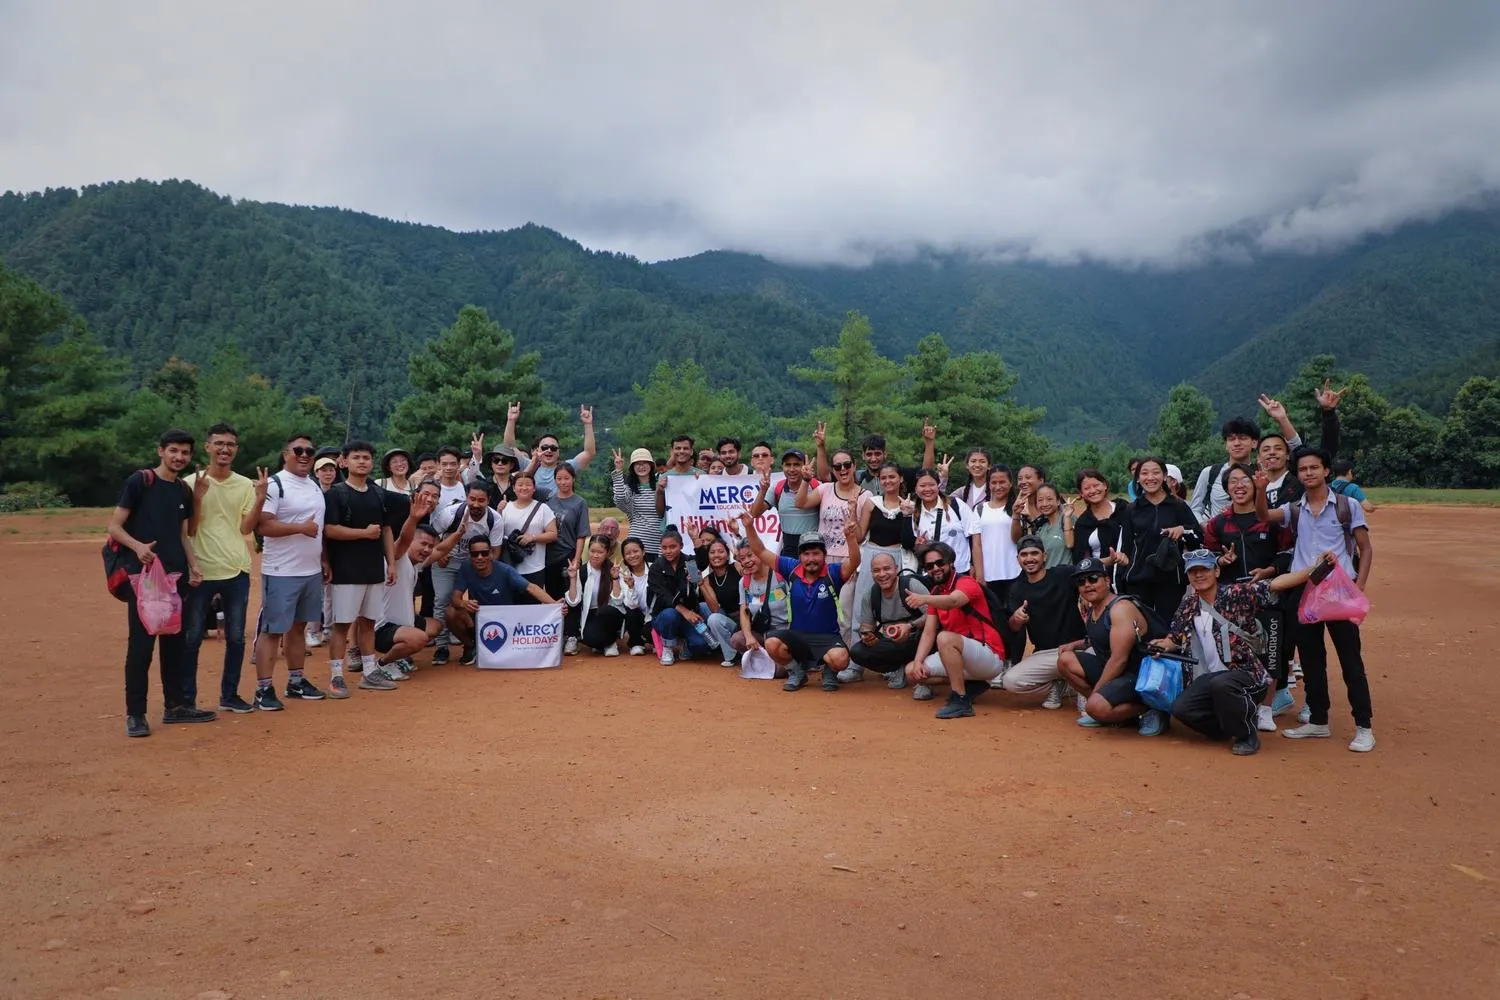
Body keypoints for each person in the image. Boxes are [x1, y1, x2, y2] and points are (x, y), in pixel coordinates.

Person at [1156, 549, 1336, 756]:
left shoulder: (1237, 594)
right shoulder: (1188, 604)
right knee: (1181, 709)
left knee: (1221, 684)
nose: (1198, 575)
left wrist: (1316, 568)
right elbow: (1174, 637)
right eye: (1193, 571)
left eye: (1204, 569)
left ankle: (1247, 734)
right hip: (1209, 678)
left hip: (1246, 675)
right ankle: (1226, 728)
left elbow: (1276, 584)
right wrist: (1161, 646)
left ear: (1216, 571)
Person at [1255, 447, 1377, 752]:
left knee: (1350, 660)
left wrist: (1359, 587)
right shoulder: (1295, 509)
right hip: (1305, 589)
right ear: (1297, 474)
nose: (1308, 473)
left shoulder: (1347, 506)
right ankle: (1319, 720)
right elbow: (1263, 516)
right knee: (1311, 659)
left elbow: (1365, 547)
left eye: (1314, 467)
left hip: (1338, 590)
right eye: (1303, 469)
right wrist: (1260, 490)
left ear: (1326, 471)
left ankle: (1364, 726)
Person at [108, 429, 214, 736]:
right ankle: (135, 714)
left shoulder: (182, 489)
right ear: (161, 451)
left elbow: (183, 535)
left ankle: (175, 706)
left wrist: (194, 566)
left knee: (174, 644)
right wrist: (138, 547)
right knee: (141, 647)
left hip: (175, 577)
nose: (179, 457)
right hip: (144, 578)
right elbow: (114, 527)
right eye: (173, 451)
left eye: (185, 452)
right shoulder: (141, 482)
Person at [1201, 464, 1296, 730]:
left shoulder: (1271, 519)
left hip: (1269, 595)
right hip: (1230, 600)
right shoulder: (1218, 523)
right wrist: (1221, 560)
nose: (1239, 485)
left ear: (1255, 485)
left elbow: (1288, 553)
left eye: (1244, 480)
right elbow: (1207, 557)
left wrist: (1269, 570)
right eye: (1233, 481)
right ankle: (1241, 703)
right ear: (1226, 488)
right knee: (1232, 652)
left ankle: (1266, 709)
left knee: (1271, 652)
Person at [182, 423, 259, 714]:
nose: (225, 449)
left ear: (236, 449)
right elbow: (189, 529)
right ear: (207, 447)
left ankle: (230, 695)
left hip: (236, 569)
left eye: (230, 445)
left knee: (236, 638)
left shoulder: (244, 484)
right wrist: (198, 497)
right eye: (219, 444)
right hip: (200, 569)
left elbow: (246, 528)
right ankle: (186, 700)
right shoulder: (190, 483)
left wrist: (260, 498)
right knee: (192, 638)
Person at [251, 434, 328, 710]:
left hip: (310, 570)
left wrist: (324, 560)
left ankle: (296, 682)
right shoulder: (276, 484)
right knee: (273, 630)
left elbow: (319, 526)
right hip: (281, 571)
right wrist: (300, 529)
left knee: (298, 628)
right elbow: (263, 526)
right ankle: (263, 689)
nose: (304, 455)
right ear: (286, 454)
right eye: (298, 450)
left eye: (309, 451)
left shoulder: (314, 485)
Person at [743, 521, 862, 692]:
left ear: (824, 555)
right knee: (771, 644)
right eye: (806, 554)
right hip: (797, 638)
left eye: (816, 553)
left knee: (841, 659)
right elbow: (760, 551)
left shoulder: (834, 573)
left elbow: (854, 561)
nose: (811, 559)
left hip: (827, 638)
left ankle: (830, 672)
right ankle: (797, 671)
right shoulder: (791, 569)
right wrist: (749, 526)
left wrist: (850, 538)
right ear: (799, 556)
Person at [320, 441, 397, 696]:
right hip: (346, 570)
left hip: (373, 568)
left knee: (368, 622)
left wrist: (391, 563)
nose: (362, 461)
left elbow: (386, 530)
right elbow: (329, 530)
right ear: (344, 462)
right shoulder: (335, 494)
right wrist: (364, 533)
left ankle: (369, 672)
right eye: (356, 457)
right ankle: (336, 676)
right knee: (342, 624)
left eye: (366, 457)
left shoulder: (378, 493)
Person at [1056, 557, 1163, 735]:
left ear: (1107, 580)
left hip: (1139, 676)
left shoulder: (1120, 609)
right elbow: (1102, 638)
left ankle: (1149, 708)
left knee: (1095, 706)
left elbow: (1119, 660)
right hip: (1116, 671)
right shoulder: (1094, 607)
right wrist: (1075, 644)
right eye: (1081, 582)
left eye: (1093, 579)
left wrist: (1096, 693)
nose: (1087, 585)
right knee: (1065, 660)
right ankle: (1115, 711)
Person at [902, 541, 1006, 718]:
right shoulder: (936, 593)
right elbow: (928, 632)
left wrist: (924, 599)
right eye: (930, 566)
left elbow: (953, 601)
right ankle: (973, 684)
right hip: (961, 655)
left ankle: (960, 699)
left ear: (950, 562)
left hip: (988, 655)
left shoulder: (966, 582)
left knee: (945, 638)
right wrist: (918, 661)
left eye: (940, 563)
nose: (935, 568)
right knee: (912, 672)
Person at [840, 463, 918, 681]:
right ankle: (856, 666)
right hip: (871, 557)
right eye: (884, 478)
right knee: (861, 607)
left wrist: (907, 514)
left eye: (892, 477)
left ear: (900, 479)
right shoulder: (871, 503)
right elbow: (859, 536)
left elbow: (911, 539)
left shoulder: (911, 505)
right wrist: (852, 512)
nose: (888, 481)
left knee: (897, 610)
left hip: (898, 559)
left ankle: (894, 665)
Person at [999, 535, 1087, 707]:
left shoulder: (1063, 574)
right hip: (1045, 654)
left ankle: (1082, 689)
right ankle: (1059, 686)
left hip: (1076, 648)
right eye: (1024, 555)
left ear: (1044, 556)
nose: (1029, 559)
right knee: (1010, 681)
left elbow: (1090, 570)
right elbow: (1013, 627)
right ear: (1018, 559)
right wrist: (1016, 618)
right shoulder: (1017, 589)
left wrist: (1113, 559)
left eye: (1034, 553)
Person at [1115, 456, 1202, 623]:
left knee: (1169, 628)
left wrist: (1182, 530)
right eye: (1144, 473)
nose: (1150, 477)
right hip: (1139, 580)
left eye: (1156, 472)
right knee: (1142, 628)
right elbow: (1125, 547)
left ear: (1164, 476)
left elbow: (1198, 536)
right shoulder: (1132, 510)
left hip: (1171, 579)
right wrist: (1121, 577)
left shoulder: (1178, 506)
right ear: (1137, 479)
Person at [428, 483, 504, 665]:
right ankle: (441, 647)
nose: (476, 504)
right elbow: (432, 534)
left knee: (478, 602)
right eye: (472, 499)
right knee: (442, 600)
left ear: (488, 500)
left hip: (475, 563)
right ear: (466, 497)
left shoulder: (495, 519)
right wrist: (440, 554)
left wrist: (485, 570)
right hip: (448, 560)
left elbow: (495, 551)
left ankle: (476, 640)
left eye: (481, 500)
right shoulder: (450, 513)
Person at [371, 493, 443, 677]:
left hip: (403, 624)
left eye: (430, 546)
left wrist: (459, 534)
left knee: (435, 626)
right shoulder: (396, 558)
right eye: (423, 543)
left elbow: (441, 550)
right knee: (420, 638)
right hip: (382, 628)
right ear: (412, 541)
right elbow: (403, 538)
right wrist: (413, 518)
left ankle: (400, 656)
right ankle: (383, 664)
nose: (427, 549)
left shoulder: (416, 563)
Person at [444, 538, 557, 652]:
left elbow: (531, 587)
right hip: (478, 618)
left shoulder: (505, 570)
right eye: (475, 554)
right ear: (469, 556)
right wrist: (463, 603)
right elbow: (455, 598)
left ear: (491, 553)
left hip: (503, 621)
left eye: (484, 553)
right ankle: (470, 647)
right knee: (450, 613)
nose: (480, 557)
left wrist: (555, 605)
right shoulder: (466, 567)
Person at [849, 552, 927, 688]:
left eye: (886, 569)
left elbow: (933, 614)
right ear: (871, 574)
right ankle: (895, 670)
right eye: (876, 570)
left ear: (896, 569)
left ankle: (921, 676)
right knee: (857, 652)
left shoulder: (910, 585)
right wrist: (867, 636)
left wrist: (910, 626)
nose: (882, 574)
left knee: (933, 638)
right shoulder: (870, 595)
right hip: (890, 642)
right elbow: (866, 626)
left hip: (917, 639)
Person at [647, 528, 715, 665]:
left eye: (672, 547)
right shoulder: (656, 567)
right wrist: (685, 611)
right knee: (670, 614)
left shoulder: (689, 562)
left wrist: (695, 539)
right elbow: (664, 596)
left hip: (689, 616)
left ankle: (686, 646)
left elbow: (703, 563)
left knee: (702, 645)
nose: (668, 551)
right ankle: (667, 647)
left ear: (681, 546)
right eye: (664, 548)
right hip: (663, 615)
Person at [505, 401, 597, 500]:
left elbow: (589, 453)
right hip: (534, 509)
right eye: (544, 447)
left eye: (553, 448)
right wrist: (511, 420)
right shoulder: (528, 464)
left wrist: (588, 424)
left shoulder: (567, 467)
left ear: (558, 452)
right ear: (538, 450)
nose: (549, 450)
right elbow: (509, 448)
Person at [545, 462, 591, 648]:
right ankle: (558, 633)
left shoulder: (579, 503)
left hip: (568, 555)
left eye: (566, 478)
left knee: (571, 595)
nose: (563, 482)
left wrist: (577, 558)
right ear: (554, 480)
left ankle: (572, 635)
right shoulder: (548, 501)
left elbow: (581, 534)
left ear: (573, 479)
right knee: (553, 594)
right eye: (559, 478)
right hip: (549, 556)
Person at [1189, 417, 1267, 521]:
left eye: (1242, 438)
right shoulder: (1210, 473)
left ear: (1254, 443)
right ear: (1226, 444)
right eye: (1231, 439)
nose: (1237, 443)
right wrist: (1205, 526)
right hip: (1216, 530)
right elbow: (1195, 509)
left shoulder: (1261, 474)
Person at [747, 447, 820, 553]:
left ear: (804, 466)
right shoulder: (777, 488)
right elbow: (754, 513)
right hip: (789, 547)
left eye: (796, 464)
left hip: (814, 548)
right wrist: (763, 490)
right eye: (788, 465)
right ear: (783, 467)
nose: (792, 469)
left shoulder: (817, 486)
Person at [565, 535, 628, 656]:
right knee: (590, 638)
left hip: (609, 613)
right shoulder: (582, 572)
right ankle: (598, 642)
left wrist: (615, 578)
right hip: (590, 613)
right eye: (592, 551)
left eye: (600, 552)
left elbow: (618, 600)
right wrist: (573, 578)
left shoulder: (614, 570)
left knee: (607, 611)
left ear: (607, 553)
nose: (595, 555)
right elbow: (573, 601)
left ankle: (610, 642)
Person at [913, 468, 981, 579]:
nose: (927, 489)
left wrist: (974, 565)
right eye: (922, 486)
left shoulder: (955, 505)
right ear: (916, 488)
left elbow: (974, 536)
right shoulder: (915, 513)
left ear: (938, 485)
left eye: (932, 485)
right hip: (934, 575)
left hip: (961, 571)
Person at [731, 537, 790, 660]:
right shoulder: (744, 582)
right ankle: (765, 660)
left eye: (750, 555)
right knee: (737, 639)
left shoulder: (780, 575)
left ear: (761, 553)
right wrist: (748, 636)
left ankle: (785, 661)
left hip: (786, 631)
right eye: (742, 558)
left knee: (778, 666)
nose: (747, 561)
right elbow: (744, 611)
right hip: (762, 632)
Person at [835, 424, 935, 494]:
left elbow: (927, 472)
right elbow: (827, 477)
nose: (873, 459)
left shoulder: (900, 474)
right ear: (863, 455)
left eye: (877, 454)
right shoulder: (857, 478)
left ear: (885, 454)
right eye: (869, 454)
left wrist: (929, 442)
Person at [498, 472, 558, 587]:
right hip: (509, 566)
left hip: (535, 568)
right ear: (513, 488)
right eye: (520, 484)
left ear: (534, 488)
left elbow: (553, 534)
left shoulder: (543, 508)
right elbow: (496, 533)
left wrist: (533, 538)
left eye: (528, 485)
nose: (524, 488)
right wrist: (499, 511)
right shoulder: (506, 508)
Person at [1070, 469, 1129, 582]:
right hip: (1100, 581)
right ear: (1081, 493)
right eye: (1087, 488)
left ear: (1105, 485)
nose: (1093, 490)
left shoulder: (1124, 509)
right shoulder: (1083, 523)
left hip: (1130, 576)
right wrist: (1110, 560)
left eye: (1096, 485)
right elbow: (1082, 562)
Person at [695, 534, 742, 666]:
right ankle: (731, 656)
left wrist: (739, 557)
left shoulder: (737, 567)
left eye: (721, 551)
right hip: (729, 620)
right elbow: (715, 608)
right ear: (708, 556)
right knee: (713, 618)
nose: (716, 555)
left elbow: (750, 575)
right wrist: (701, 584)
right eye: (712, 552)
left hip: (747, 617)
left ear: (727, 555)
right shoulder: (708, 579)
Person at [611, 447, 664, 558]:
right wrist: (618, 470)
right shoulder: (630, 489)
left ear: (651, 465)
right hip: (636, 543)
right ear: (633, 467)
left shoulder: (661, 485)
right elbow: (619, 500)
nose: (641, 467)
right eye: (637, 464)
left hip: (660, 543)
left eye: (644, 463)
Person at [1012, 482, 1070, 568]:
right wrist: (1016, 514)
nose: (1045, 504)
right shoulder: (1041, 528)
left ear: (1058, 501)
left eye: (1049, 499)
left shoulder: (1068, 519)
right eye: (1040, 500)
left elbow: (1071, 545)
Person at [617, 537, 653, 655]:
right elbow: (631, 605)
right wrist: (631, 587)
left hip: (652, 615)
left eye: (636, 551)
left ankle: (655, 640)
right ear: (624, 557)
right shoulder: (623, 575)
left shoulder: (654, 569)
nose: (632, 556)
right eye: (628, 553)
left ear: (643, 552)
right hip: (636, 616)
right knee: (631, 611)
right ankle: (636, 643)